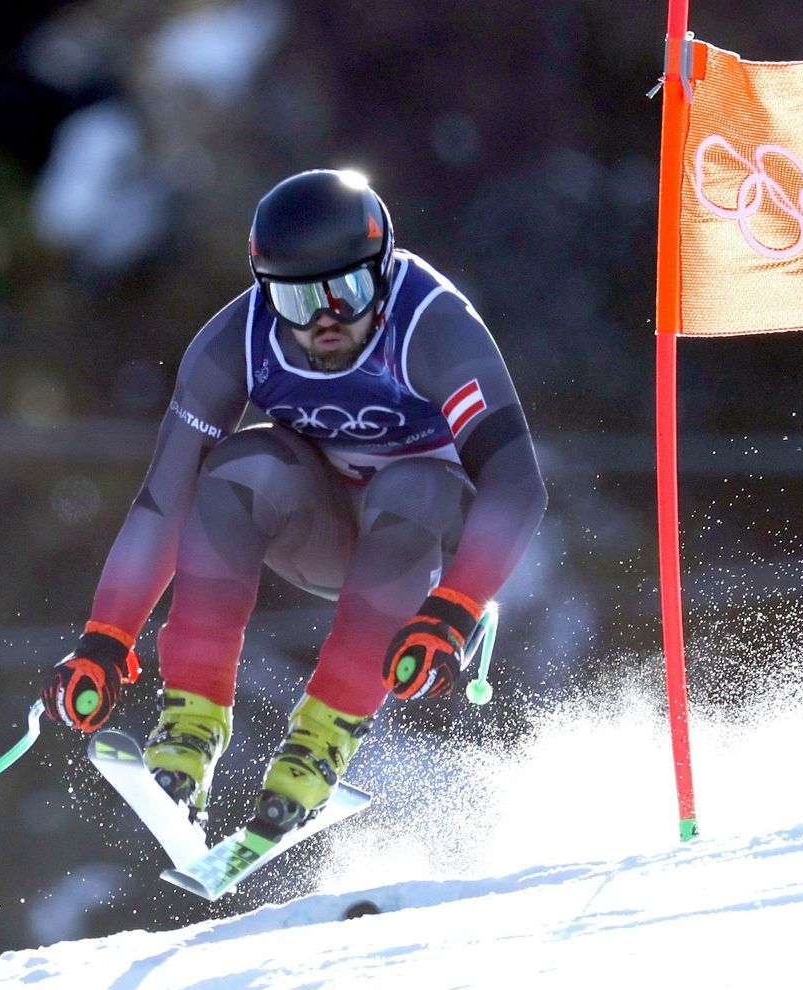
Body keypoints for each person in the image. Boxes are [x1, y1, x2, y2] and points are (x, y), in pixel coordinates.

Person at [40, 168, 547, 840]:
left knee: (409, 485)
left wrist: (454, 609)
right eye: (298, 300)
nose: (327, 319)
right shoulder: (237, 343)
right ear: (263, 289)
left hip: (432, 543)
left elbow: (517, 484)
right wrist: (106, 639)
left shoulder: (434, 325)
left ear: (385, 271)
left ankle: (322, 738)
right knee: (235, 468)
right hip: (323, 530)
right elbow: (163, 500)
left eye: (349, 290)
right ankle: (188, 731)